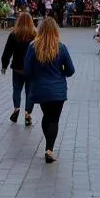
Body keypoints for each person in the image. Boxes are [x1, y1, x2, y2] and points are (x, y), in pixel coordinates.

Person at [23, 17, 75, 163]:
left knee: (47, 115)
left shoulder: (33, 47)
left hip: (41, 88)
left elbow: (27, 70)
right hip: (58, 89)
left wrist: (36, 77)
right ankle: (49, 149)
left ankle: (48, 146)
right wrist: (61, 74)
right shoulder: (61, 47)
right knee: (54, 119)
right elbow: (71, 69)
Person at [0, 12, 36, 126]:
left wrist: (4, 65)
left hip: (17, 68)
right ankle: (28, 114)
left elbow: (7, 52)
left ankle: (16, 109)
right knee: (29, 91)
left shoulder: (14, 34)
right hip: (31, 69)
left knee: (17, 89)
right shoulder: (35, 34)